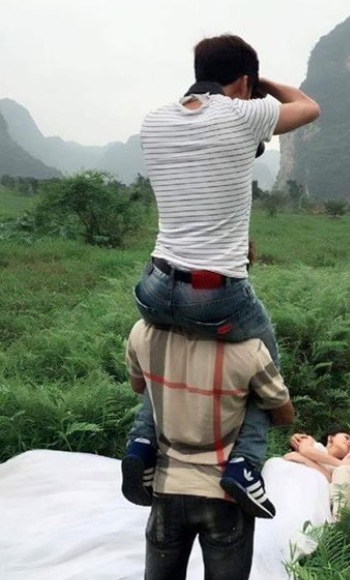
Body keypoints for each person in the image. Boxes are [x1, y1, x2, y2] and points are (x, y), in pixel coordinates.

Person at [122, 34, 320, 519]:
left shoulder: (154, 120)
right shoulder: (243, 113)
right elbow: (308, 108)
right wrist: (264, 86)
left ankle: (142, 441)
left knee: (162, 356)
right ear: (245, 83)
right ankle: (245, 466)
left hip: (153, 288)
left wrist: (247, 85)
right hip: (214, 296)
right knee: (262, 367)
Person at [125, 318, 294, 580]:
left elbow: (139, 387)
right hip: (224, 500)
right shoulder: (249, 349)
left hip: (168, 491)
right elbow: (284, 412)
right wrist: (250, 396)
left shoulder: (144, 333)